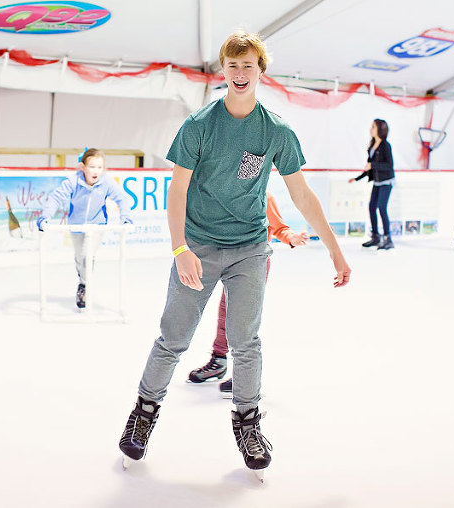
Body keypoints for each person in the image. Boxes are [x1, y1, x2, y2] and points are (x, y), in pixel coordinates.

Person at [118, 31, 351, 479]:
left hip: (249, 248)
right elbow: (178, 190)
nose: (240, 73)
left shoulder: (276, 131)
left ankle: (248, 424)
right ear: (223, 70)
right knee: (173, 338)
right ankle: (143, 414)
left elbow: (302, 195)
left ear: (261, 71)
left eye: (248, 66)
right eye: (233, 65)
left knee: (246, 342)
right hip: (199, 246)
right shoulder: (199, 125)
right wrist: (181, 249)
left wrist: (335, 252)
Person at [187, 191, 308, 398]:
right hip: (222, 256)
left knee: (242, 318)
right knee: (225, 311)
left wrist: (292, 238)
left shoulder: (264, 196)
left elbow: (279, 228)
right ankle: (219, 360)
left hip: (252, 262)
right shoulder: (223, 190)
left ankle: (244, 375)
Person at [36, 148, 133, 308]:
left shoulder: (106, 182)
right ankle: (83, 280)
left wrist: (126, 217)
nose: (96, 171)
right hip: (76, 225)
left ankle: (85, 285)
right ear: (83, 167)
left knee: (87, 255)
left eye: (99, 167)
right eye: (92, 167)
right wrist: (45, 216)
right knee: (79, 258)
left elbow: (121, 199)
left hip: (97, 226)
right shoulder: (73, 181)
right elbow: (56, 198)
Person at [348, 119, 395, 250]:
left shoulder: (386, 146)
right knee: (372, 207)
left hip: (386, 182)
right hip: (377, 182)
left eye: (373, 127)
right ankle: (375, 237)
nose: (371, 129)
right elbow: (369, 168)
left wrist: (372, 165)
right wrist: (357, 179)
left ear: (380, 129)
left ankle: (388, 239)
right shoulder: (373, 145)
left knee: (382, 208)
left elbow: (389, 166)